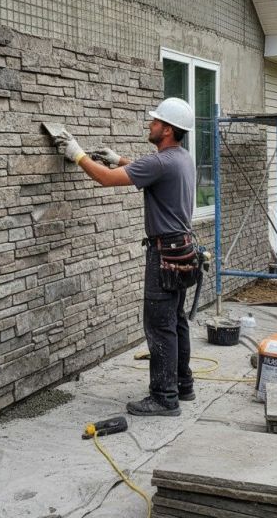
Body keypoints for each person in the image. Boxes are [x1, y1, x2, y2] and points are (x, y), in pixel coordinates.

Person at [53, 97, 197, 417]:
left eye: (156, 122)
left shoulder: (161, 162)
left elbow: (105, 179)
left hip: (164, 254)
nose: (151, 125)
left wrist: (76, 154)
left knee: (159, 326)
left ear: (169, 130)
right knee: (176, 320)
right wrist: (120, 159)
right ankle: (183, 385)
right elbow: (147, 170)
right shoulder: (181, 158)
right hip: (182, 250)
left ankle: (163, 398)